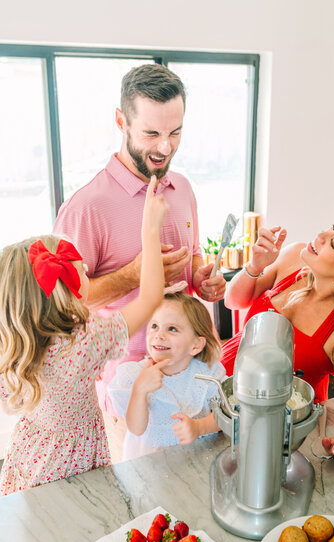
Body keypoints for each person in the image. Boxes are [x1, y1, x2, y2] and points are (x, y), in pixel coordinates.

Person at [53, 64, 226, 424]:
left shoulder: (184, 189)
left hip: (191, 376)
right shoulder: (86, 208)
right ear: (121, 121)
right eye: (151, 133)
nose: (165, 147)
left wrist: (202, 278)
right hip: (126, 388)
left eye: (175, 132)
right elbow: (63, 308)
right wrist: (132, 276)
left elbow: (192, 257)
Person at [0, 177, 168, 495]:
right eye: (84, 269)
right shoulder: (86, 342)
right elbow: (150, 298)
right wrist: (150, 229)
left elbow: (8, 403)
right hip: (73, 472)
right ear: (67, 290)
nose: (89, 266)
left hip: (30, 461)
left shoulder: (13, 344)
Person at [222, 214, 334, 475]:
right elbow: (233, 300)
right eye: (332, 227)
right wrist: (255, 265)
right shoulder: (293, 256)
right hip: (224, 392)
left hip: (282, 426)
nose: (321, 235)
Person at [107, 292, 225, 459]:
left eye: (172, 329)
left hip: (195, 462)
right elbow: (136, 428)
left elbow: (227, 414)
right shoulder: (134, 375)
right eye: (154, 326)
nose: (159, 335)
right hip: (149, 466)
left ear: (196, 345)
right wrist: (139, 390)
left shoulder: (207, 374)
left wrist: (200, 427)